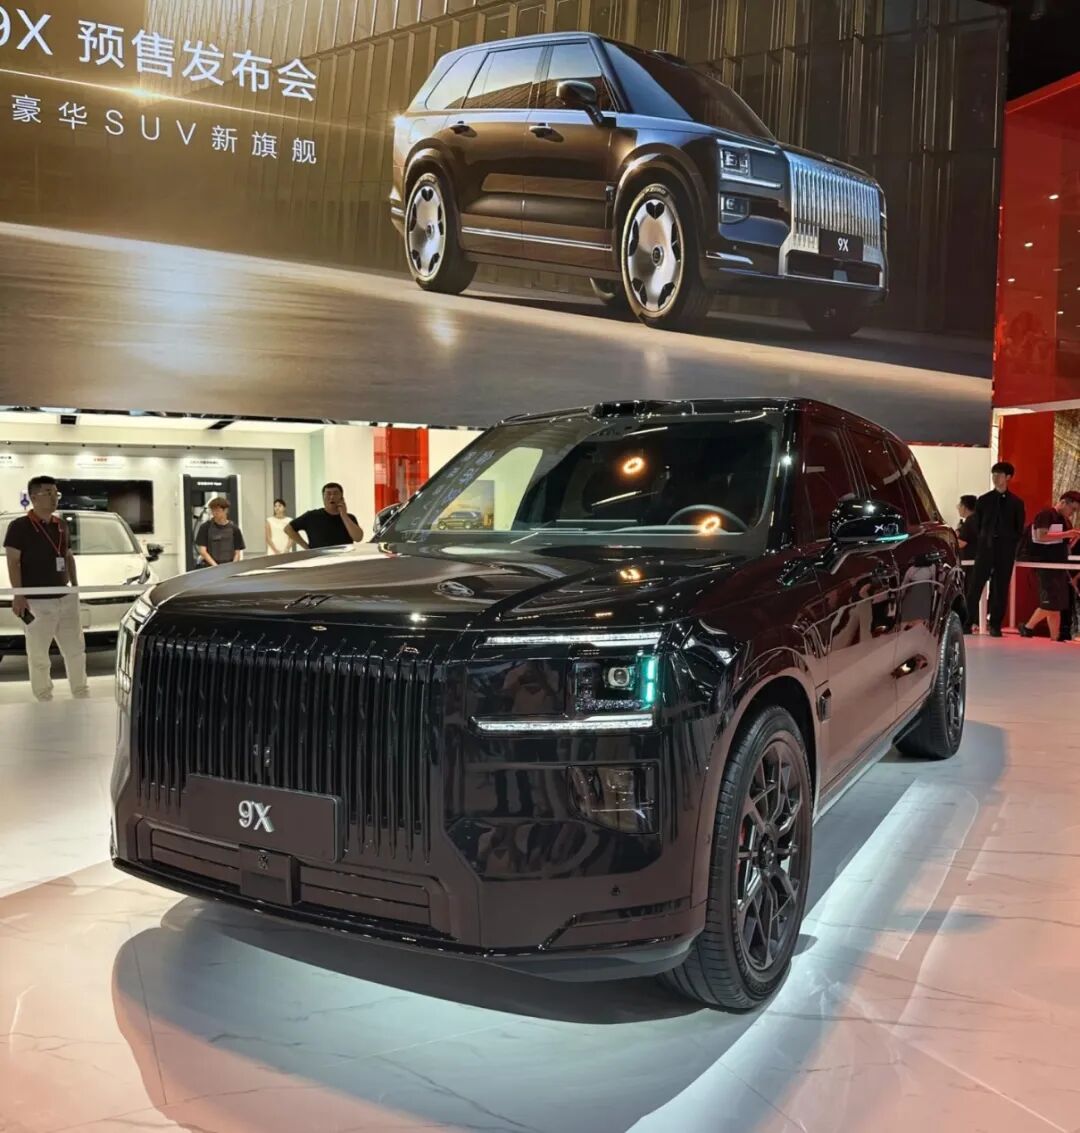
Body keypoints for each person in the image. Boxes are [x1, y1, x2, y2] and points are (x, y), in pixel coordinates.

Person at [3, 475, 89, 702]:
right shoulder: (19, 527)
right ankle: (43, 696)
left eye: (56, 493)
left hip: (65, 597)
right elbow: (13, 562)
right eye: (48, 493)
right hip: (37, 601)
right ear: (33, 497)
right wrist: (19, 595)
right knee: (39, 654)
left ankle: (81, 692)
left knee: (76, 650)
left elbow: (68, 557)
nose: (54, 498)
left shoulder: (61, 525)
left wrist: (75, 587)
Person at [965, 462, 1026, 637]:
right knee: (975, 586)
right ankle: (967, 622)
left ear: (1008, 477)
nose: (995, 478)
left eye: (999, 475)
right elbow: (977, 525)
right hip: (985, 548)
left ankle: (995, 624)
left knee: (1000, 588)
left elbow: (1019, 528)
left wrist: (1009, 543)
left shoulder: (1016, 503)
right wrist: (984, 539)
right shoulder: (983, 500)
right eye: (993, 474)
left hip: (1005, 550)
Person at [1018, 490, 1080, 641]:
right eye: (1072, 509)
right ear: (1064, 502)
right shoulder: (1047, 515)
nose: (1072, 513)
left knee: (1057, 604)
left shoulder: (1065, 521)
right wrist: (1067, 534)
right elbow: (1041, 535)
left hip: (1059, 565)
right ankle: (1028, 627)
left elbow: (1063, 544)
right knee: (1050, 602)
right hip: (1046, 564)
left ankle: (1054, 636)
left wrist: (1073, 538)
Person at [286, 482, 364, 549]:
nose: (332, 497)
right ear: (323, 497)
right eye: (328, 494)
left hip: (344, 559)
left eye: (335, 493)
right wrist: (306, 547)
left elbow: (358, 538)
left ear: (341, 498)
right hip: (319, 559)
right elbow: (288, 528)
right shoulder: (311, 516)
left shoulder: (349, 518)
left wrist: (343, 515)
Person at [195, 497, 246, 567]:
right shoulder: (205, 527)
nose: (214, 513)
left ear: (225, 510)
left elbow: (237, 553)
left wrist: (232, 567)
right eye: (213, 510)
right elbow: (202, 551)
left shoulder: (234, 529)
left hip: (229, 566)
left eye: (218, 510)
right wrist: (216, 567)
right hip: (210, 567)